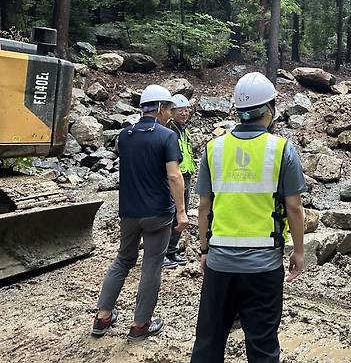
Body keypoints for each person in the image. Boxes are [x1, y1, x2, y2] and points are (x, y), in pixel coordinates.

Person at [190, 72, 306, 363]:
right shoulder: (281, 149)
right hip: (263, 266)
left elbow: (204, 207)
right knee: (263, 345)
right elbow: (294, 207)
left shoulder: (214, 149)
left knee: (208, 342)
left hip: (219, 264)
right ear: (269, 109)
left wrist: (204, 250)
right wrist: (299, 252)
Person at [91, 84, 189, 341]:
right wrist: (181, 211)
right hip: (157, 212)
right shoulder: (167, 136)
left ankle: (102, 317)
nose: (170, 113)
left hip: (129, 211)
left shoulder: (125, 135)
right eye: (168, 108)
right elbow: (174, 176)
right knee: (152, 265)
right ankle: (140, 325)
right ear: (159, 108)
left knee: (123, 259)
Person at [163, 93, 197, 269]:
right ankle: (163, 252)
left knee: (181, 215)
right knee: (172, 214)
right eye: (180, 110)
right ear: (172, 111)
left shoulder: (184, 131)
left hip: (186, 176)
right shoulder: (169, 130)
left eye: (186, 110)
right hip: (175, 177)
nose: (184, 113)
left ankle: (171, 250)